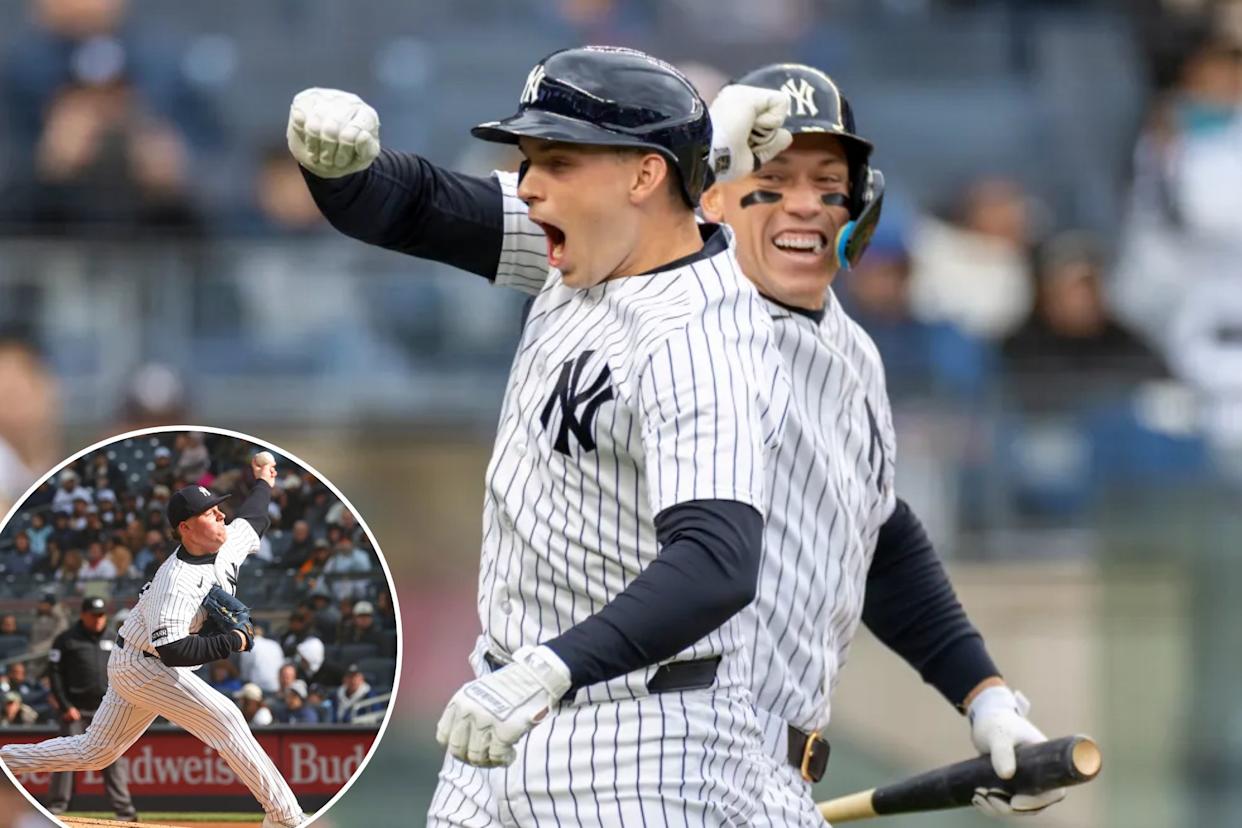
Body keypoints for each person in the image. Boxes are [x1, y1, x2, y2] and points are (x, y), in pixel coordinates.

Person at [291, 45, 794, 823]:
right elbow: (411, 207)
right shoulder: (586, 250)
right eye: (528, 160)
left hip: (640, 740)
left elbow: (717, 563)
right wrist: (339, 167)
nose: (528, 185)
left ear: (643, 175)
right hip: (504, 711)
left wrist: (550, 669)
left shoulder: (701, 334)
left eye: (556, 160)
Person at [698, 63, 1065, 825]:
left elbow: (878, 534)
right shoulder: (668, 318)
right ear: (714, 195)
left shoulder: (852, 353)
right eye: (772, 178)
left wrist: (985, 694)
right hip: (656, 754)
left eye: (829, 184)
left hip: (772, 768)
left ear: (861, 207)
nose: (805, 205)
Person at [0, 461, 309, 828]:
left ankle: (6, 760)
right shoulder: (175, 580)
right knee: (226, 718)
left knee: (95, 751)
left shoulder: (225, 543)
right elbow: (174, 651)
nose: (221, 516)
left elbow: (255, 518)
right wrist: (232, 640)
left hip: (137, 656)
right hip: (145, 663)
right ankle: (286, 817)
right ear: (186, 527)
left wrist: (262, 481)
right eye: (211, 513)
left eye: (219, 509)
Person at [41, 597, 136, 821]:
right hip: (75, 709)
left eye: (101, 615)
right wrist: (65, 705)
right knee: (64, 757)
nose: (98, 619)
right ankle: (57, 807)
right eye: (94, 615)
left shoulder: (114, 639)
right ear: (83, 614)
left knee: (113, 758)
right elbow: (54, 675)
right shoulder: (66, 640)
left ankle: (125, 811)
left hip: (107, 710)